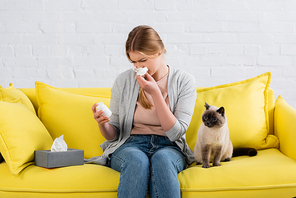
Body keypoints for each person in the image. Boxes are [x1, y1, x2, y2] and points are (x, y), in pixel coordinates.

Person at [91, 25, 197, 198]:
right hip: (130, 144)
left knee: (162, 160)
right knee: (136, 160)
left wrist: (155, 93)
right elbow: (114, 134)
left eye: (142, 60)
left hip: (169, 146)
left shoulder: (184, 81)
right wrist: (102, 124)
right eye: (133, 62)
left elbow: (176, 133)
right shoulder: (124, 81)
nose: (137, 66)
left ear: (159, 52)